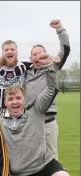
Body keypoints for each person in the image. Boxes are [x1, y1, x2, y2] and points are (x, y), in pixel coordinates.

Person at [0, 55, 72, 176]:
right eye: (11, 99)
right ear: (5, 102)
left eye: (18, 98)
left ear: (24, 99)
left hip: (44, 165)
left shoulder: (37, 110)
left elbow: (52, 88)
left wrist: (48, 67)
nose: (15, 102)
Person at [24, 19, 71, 160]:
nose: (37, 56)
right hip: (29, 122)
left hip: (48, 121)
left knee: (51, 157)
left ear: (46, 55)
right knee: (32, 158)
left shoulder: (52, 67)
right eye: (34, 54)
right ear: (30, 58)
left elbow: (65, 50)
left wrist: (60, 30)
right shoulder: (24, 71)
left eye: (40, 53)